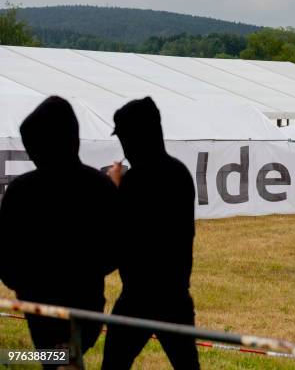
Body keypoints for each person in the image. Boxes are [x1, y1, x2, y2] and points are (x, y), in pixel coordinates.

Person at [0, 96, 118, 368]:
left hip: (37, 302)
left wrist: (22, 283)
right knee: (61, 358)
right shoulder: (99, 187)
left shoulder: (22, 191)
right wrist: (86, 271)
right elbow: (118, 248)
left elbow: (4, 252)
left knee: (53, 358)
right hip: (85, 301)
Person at [102, 97, 199, 370]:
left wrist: (114, 190)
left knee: (113, 365)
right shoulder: (178, 173)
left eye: (124, 137)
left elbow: (119, 237)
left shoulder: (134, 182)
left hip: (138, 296)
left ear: (135, 137)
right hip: (175, 294)